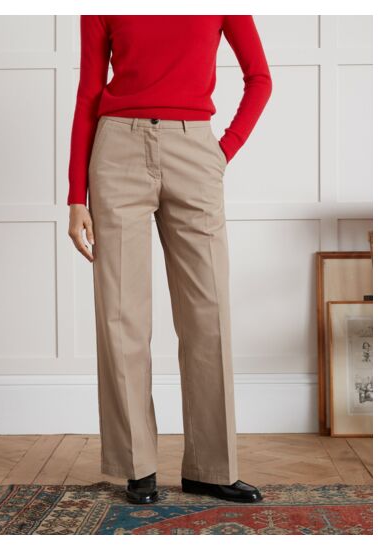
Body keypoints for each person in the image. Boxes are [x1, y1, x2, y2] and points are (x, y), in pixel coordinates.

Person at [67, 15, 272, 505]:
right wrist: (76, 195)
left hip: (194, 149)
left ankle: (211, 467)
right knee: (122, 315)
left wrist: (223, 150)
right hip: (117, 151)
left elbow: (260, 77)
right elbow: (88, 92)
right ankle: (136, 465)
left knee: (209, 313)